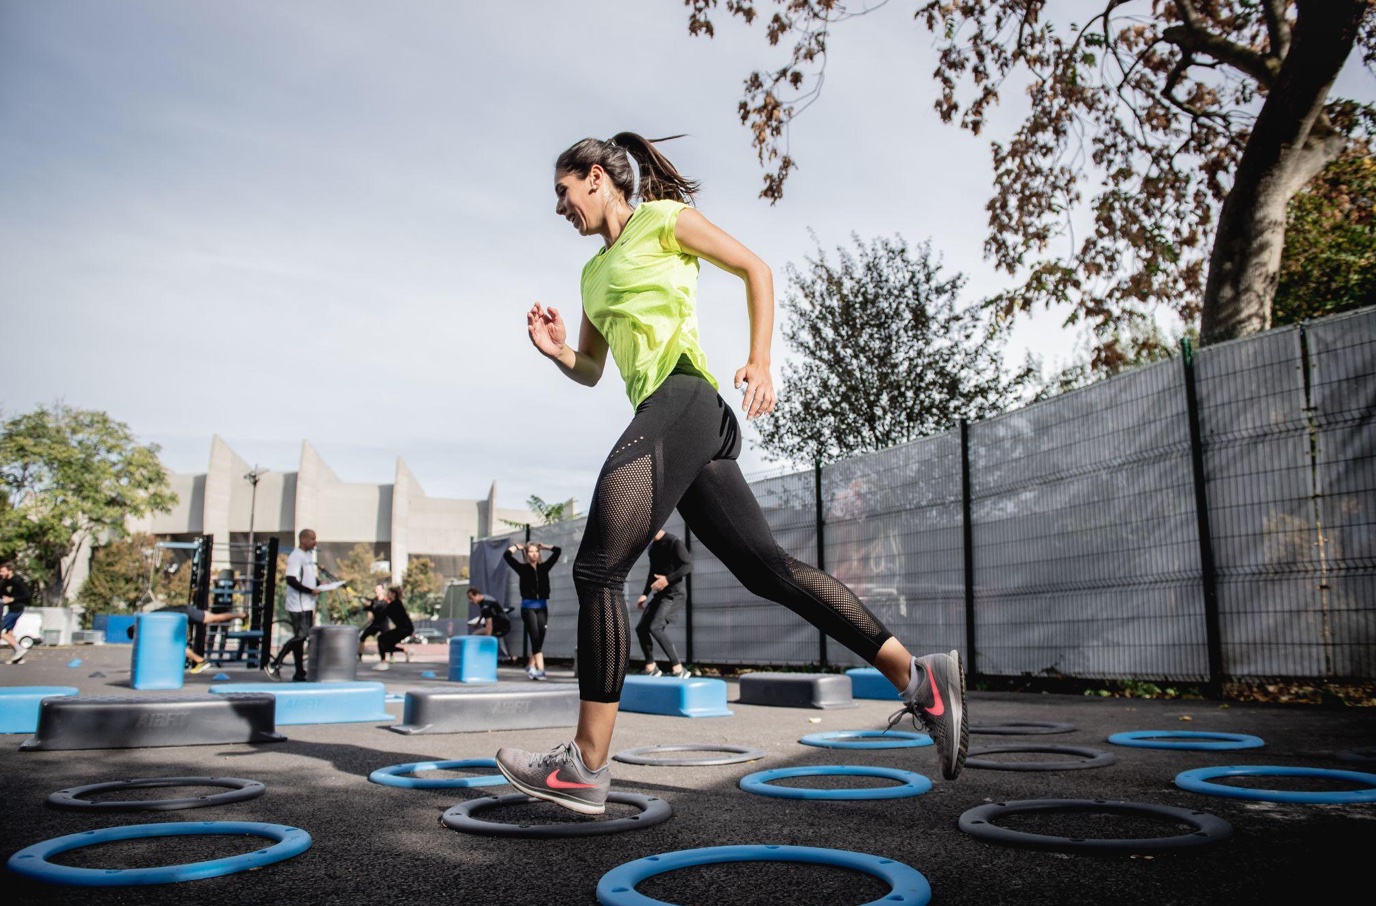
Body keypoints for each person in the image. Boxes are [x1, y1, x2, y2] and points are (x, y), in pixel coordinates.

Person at [494, 133, 967, 815]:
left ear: (596, 177)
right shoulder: (592, 276)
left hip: (685, 398)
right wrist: (558, 349)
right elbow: (595, 369)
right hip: (676, 422)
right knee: (767, 570)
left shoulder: (661, 220)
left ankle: (585, 766)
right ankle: (920, 678)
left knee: (597, 569)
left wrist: (760, 359)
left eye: (563, 192)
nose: (560, 207)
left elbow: (755, 269)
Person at [264, 528, 322, 682]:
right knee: (301, 636)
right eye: (312, 539)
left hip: (307, 604)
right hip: (298, 604)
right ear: (303, 539)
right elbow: (291, 579)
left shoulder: (308, 556)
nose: (314, 542)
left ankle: (299, 672)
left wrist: (319, 585)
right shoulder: (296, 556)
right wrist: (309, 591)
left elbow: (308, 577)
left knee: (301, 638)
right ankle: (274, 664)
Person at [635, 528, 693, 678]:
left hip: (674, 594)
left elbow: (687, 566)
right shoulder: (653, 548)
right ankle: (651, 666)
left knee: (655, 627)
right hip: (660, 595)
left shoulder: (674, 542)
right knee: (641, 628)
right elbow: (652, 573)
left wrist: (667, 579)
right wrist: (644, 594)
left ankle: (679, 668)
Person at [502, 541, 561, 680]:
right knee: (535, 638)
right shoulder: (522, 568)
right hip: (528, 608)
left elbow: (557, 550)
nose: (534, 554)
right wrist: (517, 547)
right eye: (531, 551)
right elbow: (506, 555)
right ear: (526, 554)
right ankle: (540, 670)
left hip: (542, 607)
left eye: (536, 551)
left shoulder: (544, 567)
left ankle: (530, 665)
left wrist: (545, 546)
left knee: (540, 638)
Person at [146, 602, 248, 674]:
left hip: (186, 612)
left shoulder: (148, 622)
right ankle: (242, 615)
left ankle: (201, 661)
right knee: (215, 617)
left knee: (215, 618)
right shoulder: (149, 618)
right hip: (185, 612)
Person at [466, 586, 514, 662]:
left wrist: (487, 639)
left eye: (471, 598)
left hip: (502, 627)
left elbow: (489, 624)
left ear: (477, 595)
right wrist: (478, 623)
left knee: (480, 636)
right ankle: (483, 655)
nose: (470, 601)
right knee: (477, 634)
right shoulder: (484, 598)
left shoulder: (486, 605)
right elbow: (483, 613)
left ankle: (486, 657)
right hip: (498, 624)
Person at [372, 585, 413, 671]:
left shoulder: (395, 604)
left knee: (381, 638)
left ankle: (383, 663)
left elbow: (383, 612)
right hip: (405, 628)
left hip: (405, 629)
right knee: (386, 645)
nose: (387, 594)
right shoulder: (394, 603)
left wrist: (371, 606)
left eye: (389, 593)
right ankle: (406, 651)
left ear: (393, 594)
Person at [1, 561, 33, 664]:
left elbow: (27, 595)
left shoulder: (17, 581)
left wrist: (12, 599)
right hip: (11, 609)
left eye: (2, 571)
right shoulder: (5, 582)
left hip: (17, 608)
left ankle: (19, 649)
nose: (0, 573)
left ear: (9, 571)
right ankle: (18, 657)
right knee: (9, 633)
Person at [357, 583, 391, 662]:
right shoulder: (374, 601)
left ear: (383, 590)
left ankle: (391, 656)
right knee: (363, 637)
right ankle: (359, 656)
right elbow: (369, 608)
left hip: (384, 623)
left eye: (378, 589)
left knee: (387, 640)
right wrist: (365, 606)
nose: (376, 591)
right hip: (375, 623)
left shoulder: (387, 601)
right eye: (376, 589)